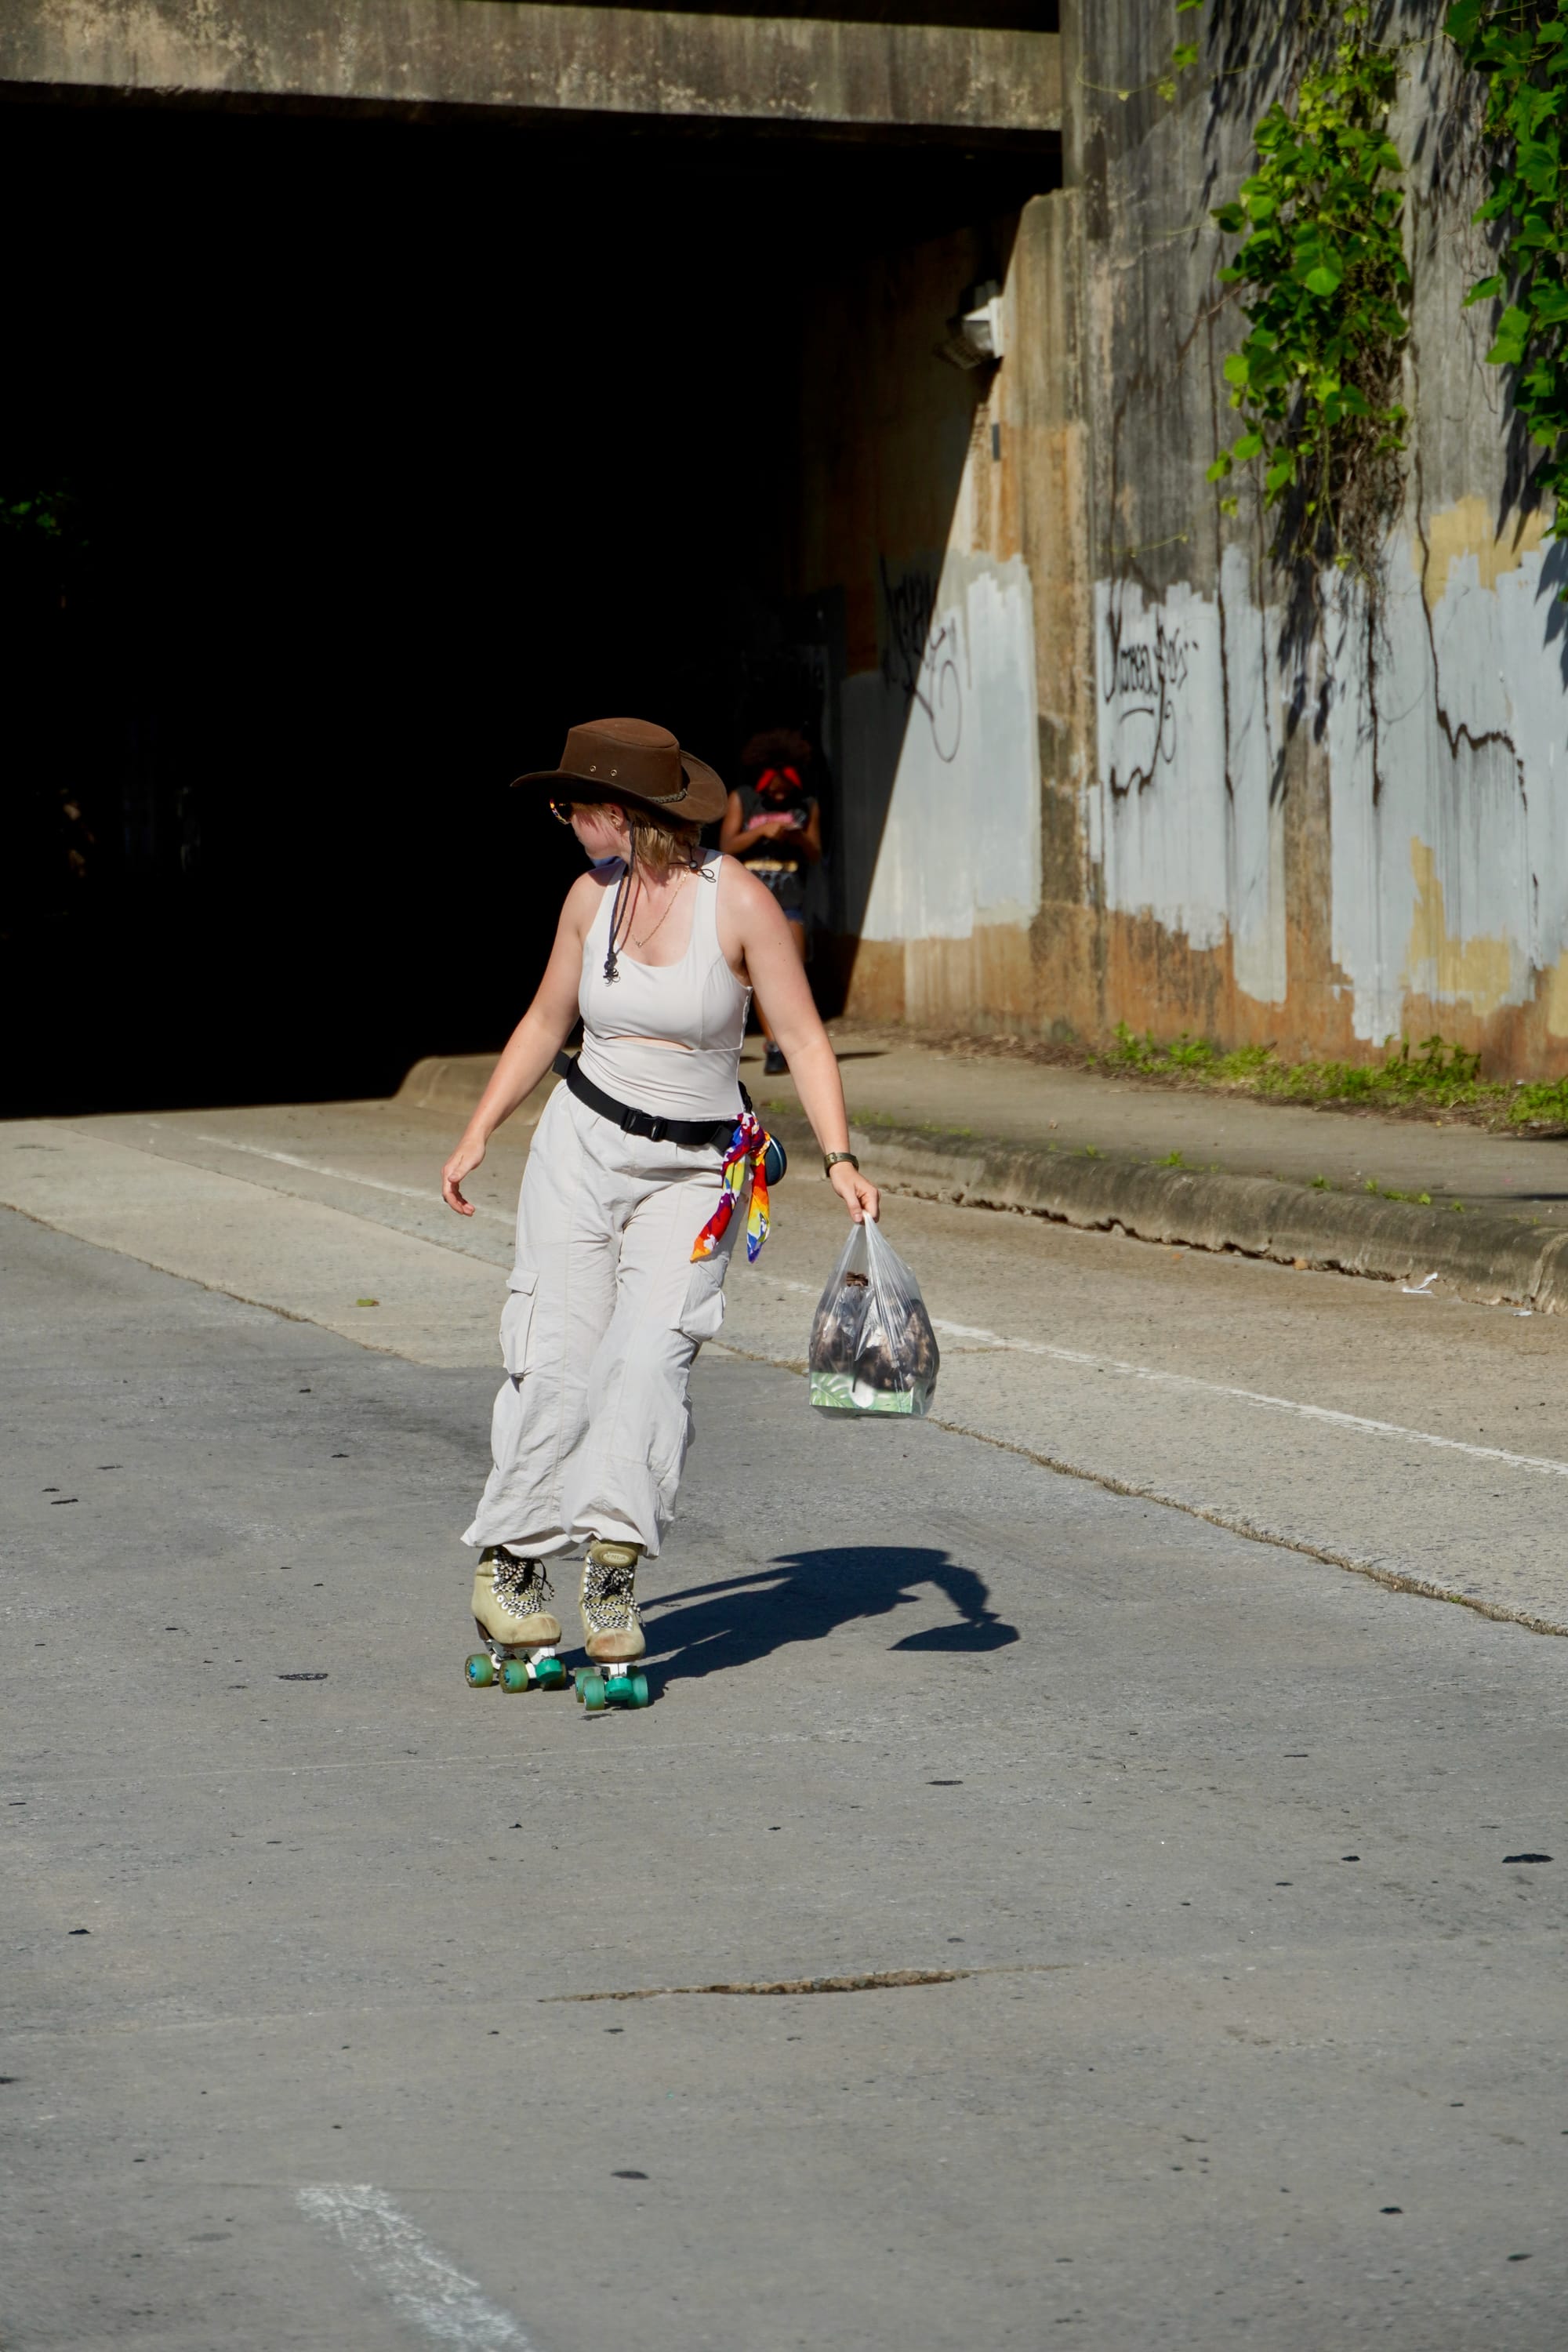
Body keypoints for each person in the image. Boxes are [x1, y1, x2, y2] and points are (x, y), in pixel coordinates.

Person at [441, 716, 878, 1688]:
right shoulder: (586, 900)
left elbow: (804, 1039)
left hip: (695, 1175)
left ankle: (611, 1571)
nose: (565, 823)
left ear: (620, 812)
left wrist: (838, 1158)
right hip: (581, 1151)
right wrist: (479, 1130)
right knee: (556, 1359)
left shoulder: (739, 904)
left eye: (572, 807)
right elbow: (545, 1019)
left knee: (648, 1362)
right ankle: (513, 1562)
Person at [719, 728, 822, 1077]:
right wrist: (760, 832)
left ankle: (796, 1040)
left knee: (793, 970)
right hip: (751, 897)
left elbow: (816, 853)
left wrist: (797, 836)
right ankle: (774, 1043)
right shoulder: (743, 799)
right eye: (774, 790)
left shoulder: (807, 806)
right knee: (759, 974)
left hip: (790, 895)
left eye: (785, 790)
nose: (779, 795)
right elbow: (727, 845)